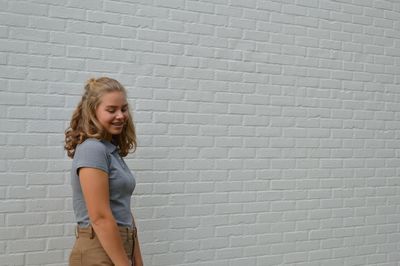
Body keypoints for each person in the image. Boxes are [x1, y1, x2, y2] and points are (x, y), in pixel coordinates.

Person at [64, 77, 143, 266]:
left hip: (120, 245)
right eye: (111, 110)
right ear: (92, 112)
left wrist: (137, 259)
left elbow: (123, 210)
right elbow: (99, 218)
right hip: (98, 249)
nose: (121, 115)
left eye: (124, 109)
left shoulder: (110, 151)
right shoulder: (92, 149)